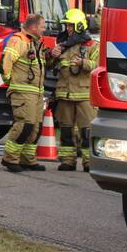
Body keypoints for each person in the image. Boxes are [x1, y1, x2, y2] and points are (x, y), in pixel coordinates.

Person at [49, 9, 99, 171]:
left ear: (79, 25)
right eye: (66, 25)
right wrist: (52, 55)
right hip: (64, 95)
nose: (68, 29)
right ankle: (68, 161)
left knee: (87, 132)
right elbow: (49, 66)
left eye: (70, 25)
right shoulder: (62, 45)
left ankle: (89, 162)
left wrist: (83, 63)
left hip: (85, 96)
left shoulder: (92, 46)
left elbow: (99, 67)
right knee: (65, 131)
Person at [0, 14, 47, 172]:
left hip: (36, 93)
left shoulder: (36, 43)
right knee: (24, 125)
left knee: (35, 127)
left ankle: (27, 159)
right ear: (33, 27)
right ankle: (10, 158)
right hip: (23, 91)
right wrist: (9, 82)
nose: (44, 30)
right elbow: (5, 63)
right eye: (42, 27)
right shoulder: (18, 40)